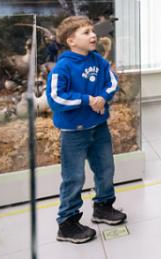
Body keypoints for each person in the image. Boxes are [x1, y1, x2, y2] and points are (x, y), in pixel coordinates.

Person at [46, 16, 126, 244]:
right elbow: (55, 98)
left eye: (92, 31)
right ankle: (67, 223)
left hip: (99, 128)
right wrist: (87, 100)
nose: (93, 35)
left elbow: (112, 82)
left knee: (105, 168)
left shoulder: (98, 60)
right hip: (74, 133)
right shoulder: (63, 67)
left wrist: (102, 97)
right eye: (86, 32)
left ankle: (103, 207)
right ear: (71, 41)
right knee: (74, 177)